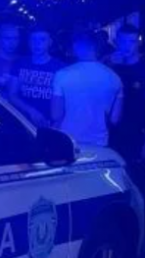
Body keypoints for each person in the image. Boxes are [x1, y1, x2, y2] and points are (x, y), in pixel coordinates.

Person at [52, 32, 123, 147]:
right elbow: (114, 119)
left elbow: (56, 115)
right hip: (100, 142)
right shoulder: (115, 78)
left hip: (68, 141)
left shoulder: (62, 74)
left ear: (77, 47)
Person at [106, 24, 145, 171]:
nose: (127, 46)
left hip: (137, 131)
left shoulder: (142, 67)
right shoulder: (109, 65)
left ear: (138, 42)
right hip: (111, 130)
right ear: (116, 42)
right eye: (123, 41)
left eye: (132, 41)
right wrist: (110, 65)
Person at [8, 27, 65, 127]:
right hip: (22, 122)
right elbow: (12, 95)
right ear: (29, 42)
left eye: (42, 40)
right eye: (33, 39)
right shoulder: (19, 64)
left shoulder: (60, 68)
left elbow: (65, 101)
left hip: (49, 123)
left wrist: (57, 123)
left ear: (50, 42)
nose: (37, 44)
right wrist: (31, 111)